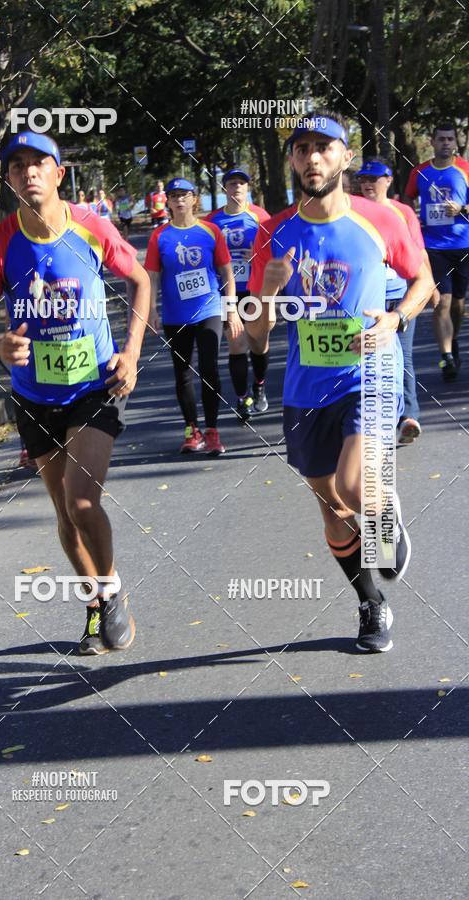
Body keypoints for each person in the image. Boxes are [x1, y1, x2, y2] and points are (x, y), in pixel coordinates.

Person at [247, 112, 434, 652]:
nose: (312, 158)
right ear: (291, 160)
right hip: (306, 390)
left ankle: (384, 513)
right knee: (333, 512)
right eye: (302, 148)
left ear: (345, 157)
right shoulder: (273, 233)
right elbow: (257, 338)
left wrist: (396, 320)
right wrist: (269, 295)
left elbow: (422, 280)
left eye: (324, 148)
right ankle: (371, 604)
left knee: (358, 485)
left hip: (370, 373)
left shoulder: (382, 218)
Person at [0, 130, 150, 655]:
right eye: (17, 164)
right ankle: (95, 608)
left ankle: (110, 591)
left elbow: (140, 280)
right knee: (65, 515)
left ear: (58, 173)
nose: (28, 172)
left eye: (38, 163)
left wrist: (131, 352)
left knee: (82, 499)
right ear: (8, 178)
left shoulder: (90, 227)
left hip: (95, 385)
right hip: (34, 396)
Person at [145, 177, 242, 455]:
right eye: (173, 195)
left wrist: (230, 308)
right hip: (176, 315)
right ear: (168, 202)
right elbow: (152, 275)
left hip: (209, 309)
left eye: (184, 195)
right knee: (182, 373)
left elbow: (226, 272)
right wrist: (151, 309)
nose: (178, 200)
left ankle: (212, 430)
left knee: (209, 368)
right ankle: (191, 429)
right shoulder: (160, 236)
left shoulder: (210, 231)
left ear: (194, 198)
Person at [358, 157, 430, 444]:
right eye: (363, 179)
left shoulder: (402, 213)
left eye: (373, 179)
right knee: (366, 357)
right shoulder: (354, 212)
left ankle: (408, 416)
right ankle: (368, 419)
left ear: (388, 181)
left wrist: (428, 285)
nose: (367, 184)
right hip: (366, 297)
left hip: (399, 295)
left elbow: (419, 252)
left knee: (403, 355)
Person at [404, 123, 469, 380]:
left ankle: (452, 343)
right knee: (441, 302)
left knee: (458, 305)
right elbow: (407, 198)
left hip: (462, 244)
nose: (445, 143)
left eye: (449, 139)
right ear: (432, 141)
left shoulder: (464, 169)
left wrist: (462, 209)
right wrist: (413, 219)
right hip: (433, 247)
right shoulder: (419, 172)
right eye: (440, 138)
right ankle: (446, 358)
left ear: (455, 142)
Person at [206, 168, 271, 422]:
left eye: (242, 184)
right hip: (227, 293)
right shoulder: (212, 222)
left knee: (259, 343)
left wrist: (259, 264)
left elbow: (275, 252)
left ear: (248, 188)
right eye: (232, 184)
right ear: (225, 189)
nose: (237, 189)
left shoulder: (260, 217)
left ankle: (259, 384)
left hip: (256, 289)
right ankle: (243, 398)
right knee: (237, 344)